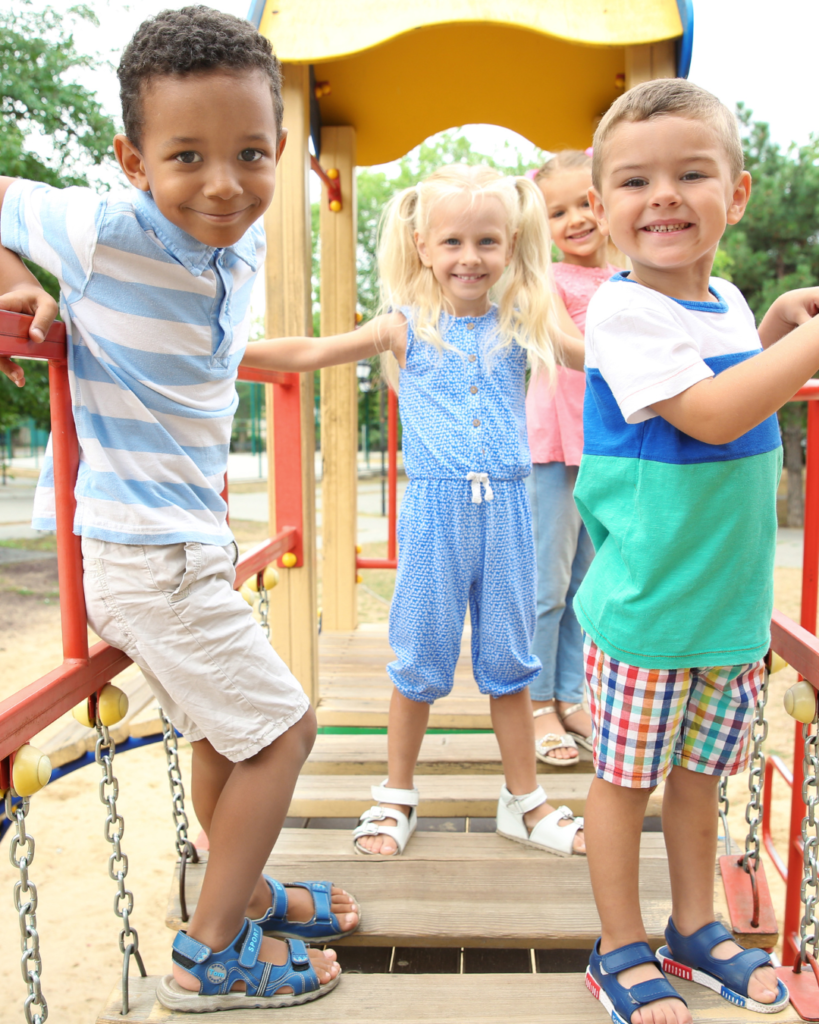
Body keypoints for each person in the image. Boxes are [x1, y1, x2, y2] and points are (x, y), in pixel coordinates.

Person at [0, 7, 360, 1013]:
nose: (222, 183)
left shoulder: (238, 246)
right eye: (186, 156)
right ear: (132, 157)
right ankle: (210, 958)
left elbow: (243, 352)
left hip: (191, 541)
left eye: (250, 153)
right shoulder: (106, 230)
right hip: (139, 549)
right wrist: (19, 278)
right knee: (284, 730)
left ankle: (232, 893)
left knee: (227, 731)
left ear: (281, 153)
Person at [243, 163, 587, 858]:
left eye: (487, 241)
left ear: (511, 242)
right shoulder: (404, 327)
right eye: (452, 242)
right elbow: (310, 351)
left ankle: (523, 801)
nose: (469, 257)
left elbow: (593, 357)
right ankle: (396, 792)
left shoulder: (519, 321)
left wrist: (710, 354)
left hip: (508, 513)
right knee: (419, 659)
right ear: (422, 245)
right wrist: (224, 354)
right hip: (435, 513)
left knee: (511, 661)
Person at [577, 78, 819, 1024]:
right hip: (648, 606)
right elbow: (714, 416)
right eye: (634, 182)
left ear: (738, 193)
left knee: (697, 777)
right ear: (601, 210)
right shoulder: (620, 308)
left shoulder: (720, 294)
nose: (663, 196)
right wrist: (806, 352)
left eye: (691, 174)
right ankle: (618, 945)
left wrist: (768, 331)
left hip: (723, 605)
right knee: (625, 783)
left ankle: (691, 925)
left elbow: (723, 371)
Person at [525, 150, 615, 767]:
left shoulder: (627, 280)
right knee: (548, 583)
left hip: (605, 444)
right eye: (559, 211)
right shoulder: (548, 280)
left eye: (587, 202)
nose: (577, 218)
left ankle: (570, 691)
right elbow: (564, 344)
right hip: (556, 443)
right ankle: (535, 703)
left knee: (588, 581)